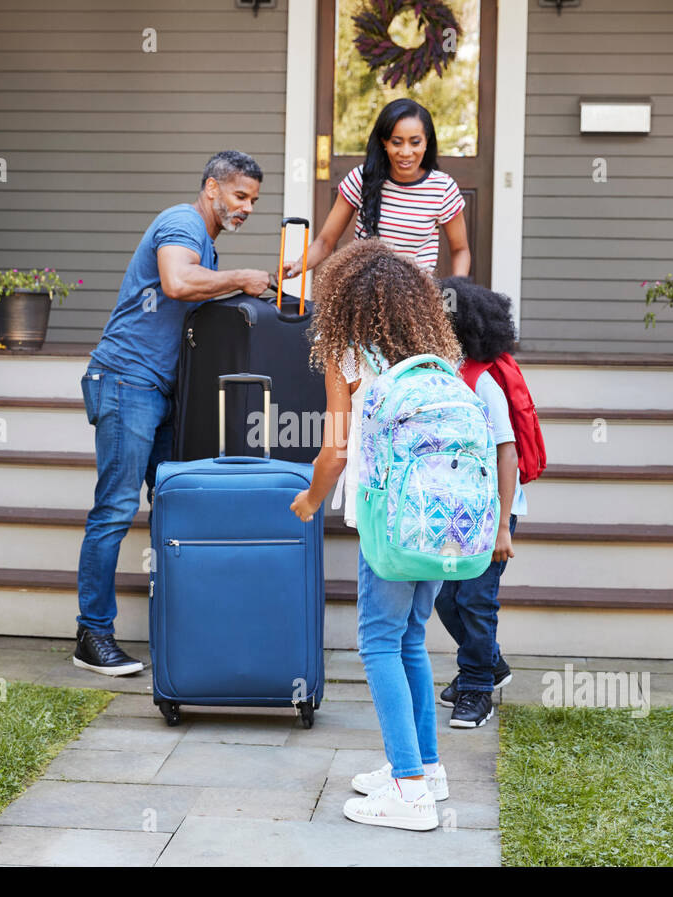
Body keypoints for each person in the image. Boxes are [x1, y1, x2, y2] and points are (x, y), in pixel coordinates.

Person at [74, 151, 273, 676]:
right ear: (212, 188)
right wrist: (243, 277)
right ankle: (91, 634)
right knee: (115, 509)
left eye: (253, 200)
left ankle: (180, 630)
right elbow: (178, 284)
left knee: (172, 506)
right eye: (239, 196)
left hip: (158, 391)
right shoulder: (182, 222)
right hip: (124, 380)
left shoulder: (204, 243)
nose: (247, 207)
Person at [289, 239, 466, 831]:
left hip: (390, 524)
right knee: (410, 637)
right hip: (439, 524)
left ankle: (409, 792)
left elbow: (334, 450)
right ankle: (424, 768)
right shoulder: (433, 355)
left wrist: (309, 501)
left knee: (379, 642)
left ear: (345, 299)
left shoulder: (345, 353)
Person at [433, 277, 526, 729]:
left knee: (474, 599)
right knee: (446, 599)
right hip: (456, 512)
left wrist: (503, 526)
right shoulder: (441, 374)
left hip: (492, 511)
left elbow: (507, 452)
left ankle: (475, 687)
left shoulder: (483, 380)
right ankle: (491, 663)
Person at [282, 98, 469, 281]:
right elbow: (325, 242)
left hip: (417, 298)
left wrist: (459, 293)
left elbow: (460, 250)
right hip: (364, 292)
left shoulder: (443, 188)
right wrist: (299, 265)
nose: (405, 152)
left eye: (415, 142)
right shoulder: (361, 178)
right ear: (384, 143)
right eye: (397, 142)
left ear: (426, 142)